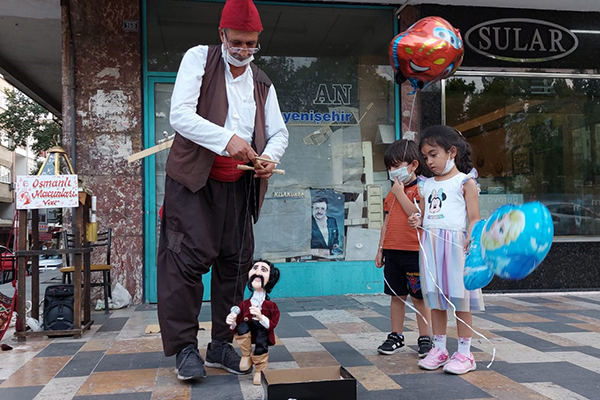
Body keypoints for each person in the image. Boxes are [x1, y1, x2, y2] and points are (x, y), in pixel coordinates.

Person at [156, 0, 289, 382]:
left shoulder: (262, 81)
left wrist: (267, 155)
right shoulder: (200, 59)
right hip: (195, 181)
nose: (245, 51)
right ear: (222, 35)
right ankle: (184, 348)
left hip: (239, 184)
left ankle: (220, 344)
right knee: (184, 263)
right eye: (238, 43)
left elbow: (280, 131)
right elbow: (180, 115)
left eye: (251, 44)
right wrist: (226, 138)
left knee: (235, 265)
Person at [408, 125, 484, 375]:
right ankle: (439, 348)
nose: (429, 161)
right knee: (436, 299)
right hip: (431, 248)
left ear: (451, 152)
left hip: (456, 248)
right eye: (425, 156)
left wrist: (472, 239)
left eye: (433, 154)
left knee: (461, 302)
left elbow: (474, 218)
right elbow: (425, 214)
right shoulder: (425, 185)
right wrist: (418, 220)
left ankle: (464, 353)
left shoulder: (465, 182)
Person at [375, 140, 432, 358]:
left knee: (418, 297)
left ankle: (425, 337)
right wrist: (381, 248)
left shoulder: (422, 189)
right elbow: (387, 221)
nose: (392, 171)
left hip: (415, 252)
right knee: (396, 295)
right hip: (392, 251)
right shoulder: (392, 193)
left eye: (396, 165)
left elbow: (418, 215)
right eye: (389, 167)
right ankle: (396, 335)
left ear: (414, 165)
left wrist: (400, 193)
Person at [226, 260, 280, 385]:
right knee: (242, 326)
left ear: (270, 278)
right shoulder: (244, 304)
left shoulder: (271, 306)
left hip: (261, 332)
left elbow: (272, 325)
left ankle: (260, 370)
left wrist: (261, 317)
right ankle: (246, 355)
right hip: (248, 331)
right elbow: (236, 325)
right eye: (255, 268)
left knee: (262, 342)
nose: (257, 272)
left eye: (263, 270)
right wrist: (232, 322)